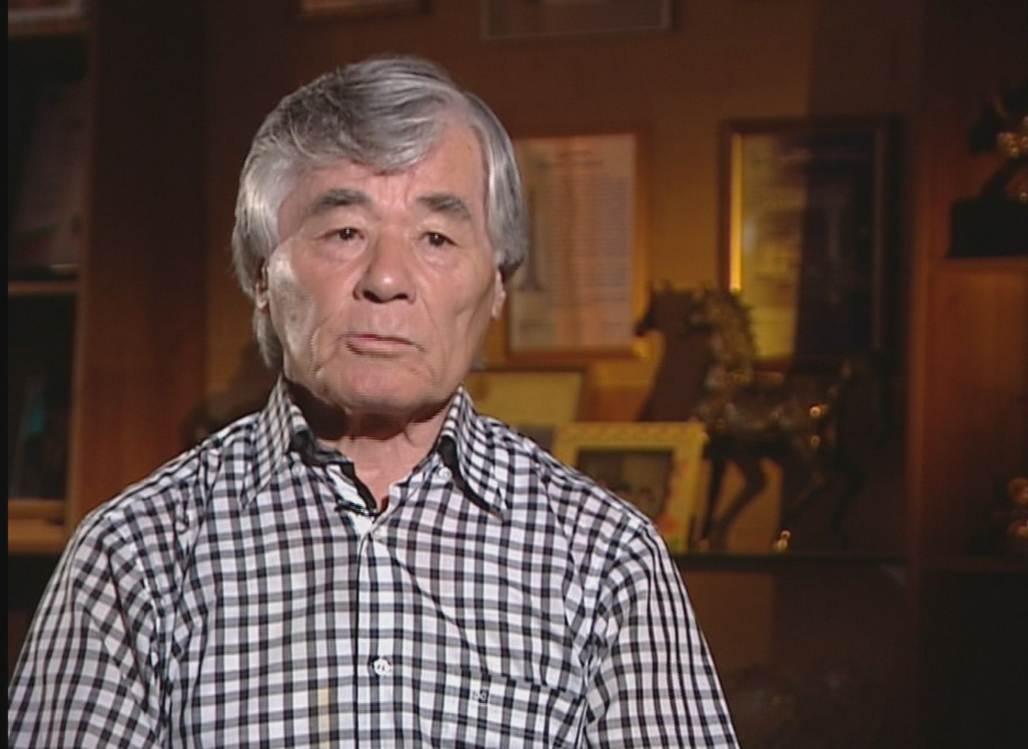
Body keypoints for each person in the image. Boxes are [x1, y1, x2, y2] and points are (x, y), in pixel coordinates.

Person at [8, 54, 738, 748]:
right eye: (345, 232)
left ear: (497, 285)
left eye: (437, 237)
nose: (387, 279)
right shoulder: (135, 556)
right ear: (262, 276)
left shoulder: (605, 557)